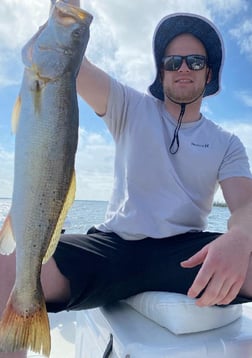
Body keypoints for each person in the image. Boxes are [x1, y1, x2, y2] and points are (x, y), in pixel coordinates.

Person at [1, 3, 252, 357]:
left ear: (208, 74)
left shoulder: (227, 142)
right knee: (6, 269)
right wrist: (65, 12)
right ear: (161, 72)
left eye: (195, 62)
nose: (183, 68)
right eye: (172, 61)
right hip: (114, 245)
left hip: (185, 252)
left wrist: (240, 238)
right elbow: (67, 60)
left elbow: (245, 205)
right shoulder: (129, 106)